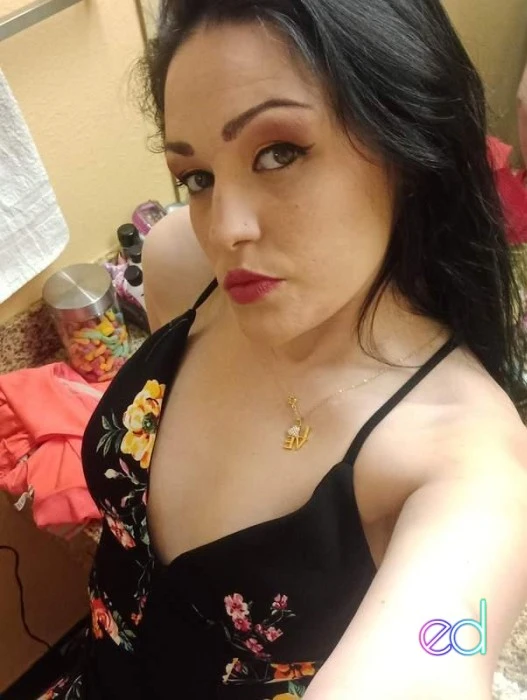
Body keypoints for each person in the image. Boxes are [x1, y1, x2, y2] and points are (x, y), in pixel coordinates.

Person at [41, 1, 527, 698]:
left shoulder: (467, 465)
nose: (225, 228)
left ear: (409, 144)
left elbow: (447, 641)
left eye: (278, 153)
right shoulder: (184, 264)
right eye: (199, 177)